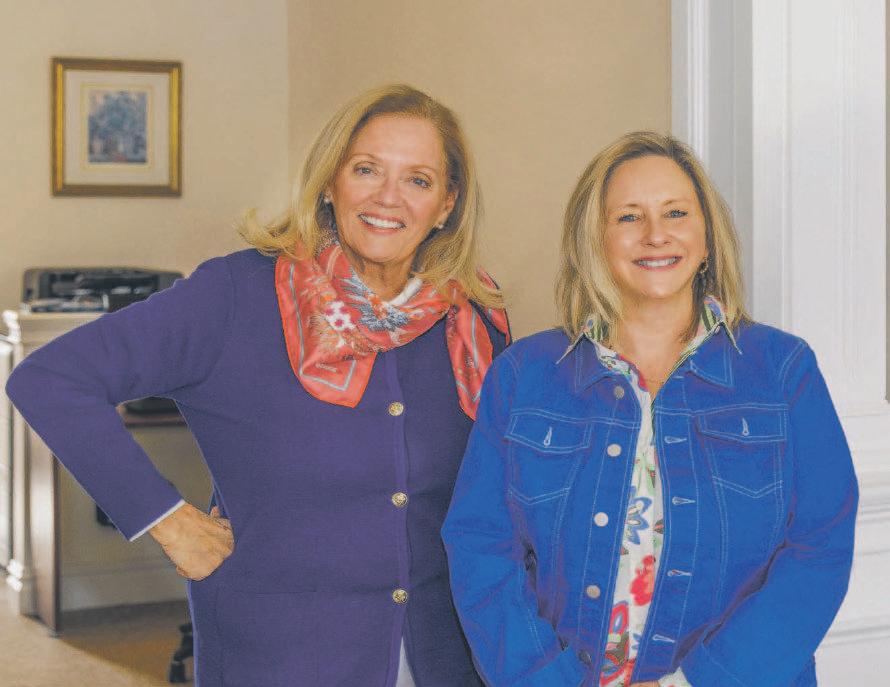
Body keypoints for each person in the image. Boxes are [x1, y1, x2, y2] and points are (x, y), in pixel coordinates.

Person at [6, 84, 509, 686]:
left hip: (444, 657)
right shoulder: (235, 294)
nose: (387, 197)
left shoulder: (473, 318)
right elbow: (50, 378)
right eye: (366, 169)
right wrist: (167, 519)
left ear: (447, 204)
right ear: (330, 181)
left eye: (418, 180)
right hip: (279, 657)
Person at [441, 131, 857, 687]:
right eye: (629, 217)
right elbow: (480, 546)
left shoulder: (782, 370)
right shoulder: (523, 375)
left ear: (707, 239)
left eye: (676, 212)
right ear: (595, 241)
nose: (656, 234)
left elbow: (819, 547)